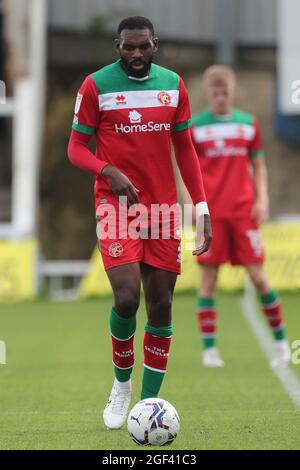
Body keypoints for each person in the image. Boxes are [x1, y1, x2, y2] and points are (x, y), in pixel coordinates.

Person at [68, 16, 212, 430]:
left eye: (143, 47)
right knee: (128, 297)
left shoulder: (173, 85)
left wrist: (201, 209)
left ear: (155, 45)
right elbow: (76, 148)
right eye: (128, 47)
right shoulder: (96, 85)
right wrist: (106, 169)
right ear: (117, 46)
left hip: (164, 210)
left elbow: (185, 148)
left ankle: (148, 405)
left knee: (162, 304)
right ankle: (121, 385)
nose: (135, 54)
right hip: (116, 208)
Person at [191, 65, 291, 368]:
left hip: (242, 213)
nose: (221, 97)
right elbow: (188, 171)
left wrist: (262, 198)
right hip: (211, 216)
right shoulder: (196, 127)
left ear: (233, 91)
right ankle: (209, 351)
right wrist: (193, 209)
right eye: (216, 92)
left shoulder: (248, 125)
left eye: (225, 92)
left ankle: (281, 344)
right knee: (209, 280)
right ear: (209, 93)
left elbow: (258, 166)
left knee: (259, 277)